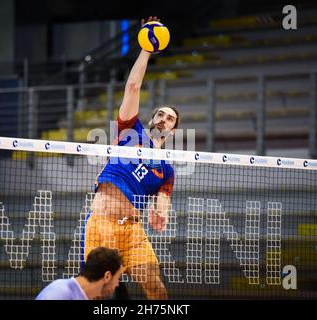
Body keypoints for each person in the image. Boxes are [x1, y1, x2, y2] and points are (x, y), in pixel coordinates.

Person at [82, 16, 180, 300]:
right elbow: (133, 87)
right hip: (102, 224)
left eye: (170, 118)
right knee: (97, 295)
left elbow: (163, 201)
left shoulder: (167, 170)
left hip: (133, 232)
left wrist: (161, 212)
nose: (163, 119)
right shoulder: (130, 130)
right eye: (160, 114)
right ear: (152, 119)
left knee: (156, 289)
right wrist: (146, 48)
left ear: (173, 130)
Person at [36, 247, 124, 300]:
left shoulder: (73, 292)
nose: (117, 284)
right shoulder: (61, 293)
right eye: (117, 278)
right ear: (107, 276)